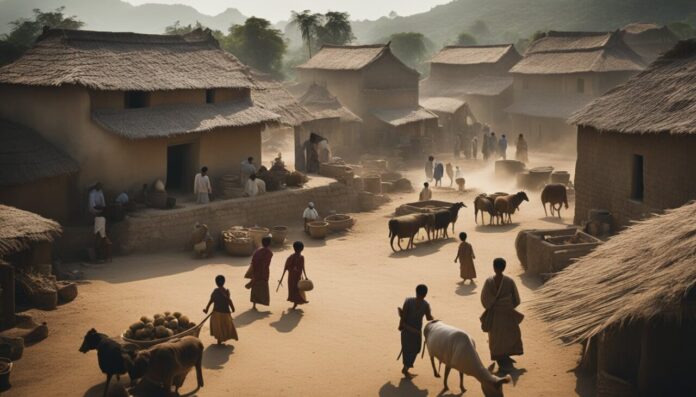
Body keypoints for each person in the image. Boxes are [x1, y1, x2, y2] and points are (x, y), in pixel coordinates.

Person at [481, 258, 524, 371]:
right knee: (509, 334)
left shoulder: (489, 281)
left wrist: (495, 306)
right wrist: (506, 306)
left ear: (494, 267)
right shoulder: (509, 281)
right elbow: (516, 300)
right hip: (507, 314)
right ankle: (506, 356)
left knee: (496, 337)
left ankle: (500, 357)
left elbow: (484, 299)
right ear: (504, 267)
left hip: (494, 315)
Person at [399, 284, 434, 378]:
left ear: (416, 292)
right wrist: (434, 318)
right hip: (416, 332)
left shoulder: (408, 301)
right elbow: (428, 318)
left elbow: (403, 317)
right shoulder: (426, 305)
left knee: (408, 350)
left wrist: (400, 326)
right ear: (425, 294)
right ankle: (405, 370)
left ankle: (405, 369)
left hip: (406, 331)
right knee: (414, 350)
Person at [203, 275, 238, 345]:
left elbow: (211, 301)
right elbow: (229, 301)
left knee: (218, 327)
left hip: (216, 313)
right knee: (226, 326)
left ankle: (219, 340)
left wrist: (206, 309)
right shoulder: (227, 291)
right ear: (224, 282)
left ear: (216, 283)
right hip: (225, 313)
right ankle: (223, 339)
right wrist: (233, 308)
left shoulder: (215, 291)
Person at [279, 241, 309, 310]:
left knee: (295, 289)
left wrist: (282, 277)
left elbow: (285, 267)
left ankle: (298, 302)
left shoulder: (291, 257)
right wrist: (305, 275)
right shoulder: (301, 257)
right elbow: (303, 267)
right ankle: (297, 303)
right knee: (297, 289)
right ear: (302, 249)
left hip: (292, 277)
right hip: (296, 277)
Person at [250, 237, 273, 310]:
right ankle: (264, 301)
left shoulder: (257, 251)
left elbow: (253, 262)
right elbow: (266, 264)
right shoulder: (269, 253)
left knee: (255, 288)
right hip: (264, 273)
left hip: (256, 272)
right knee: (263, 287)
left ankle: (254, 304)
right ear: (269, 244)